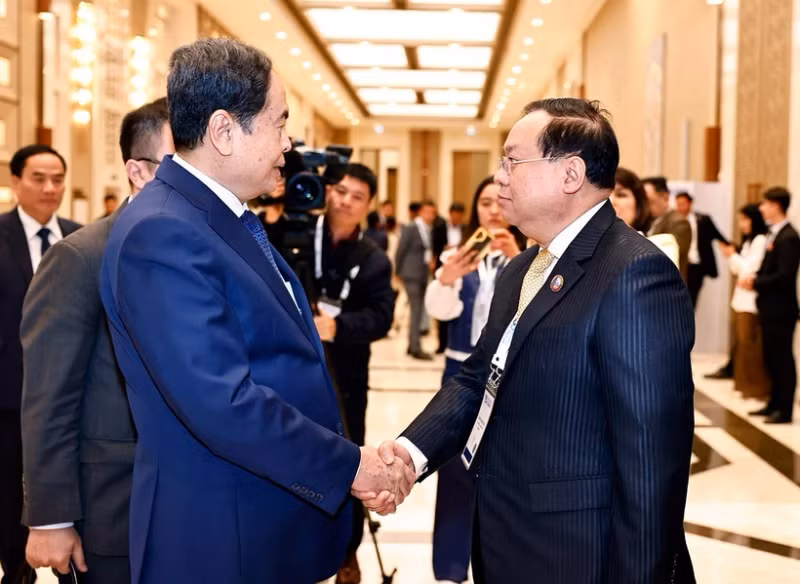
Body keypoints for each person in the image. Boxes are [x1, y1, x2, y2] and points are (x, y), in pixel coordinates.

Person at [98, 39, 413, 584]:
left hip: (259, 522)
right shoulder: (164, 232)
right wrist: (350, 465)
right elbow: (223, 402)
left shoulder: (218, 217)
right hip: (221, 538)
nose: (288, 143)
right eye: (279, 122)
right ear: (224, 131)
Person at [361, 98, 697, 583]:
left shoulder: (633, 272)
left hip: (578, 556)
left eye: (512, 161)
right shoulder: (523, 268)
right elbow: (477, 379)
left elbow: (651, 464)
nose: (499, 177)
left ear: (571, 174)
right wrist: (408, 456)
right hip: (507, 536)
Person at [20, 98, 173, 583]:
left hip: (189, 507)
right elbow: (49, 396)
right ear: (138, 172)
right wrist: (50, 518)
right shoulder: (81, 256)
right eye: (179, 166)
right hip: (111, 508)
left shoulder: (204, 254)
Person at [423, 177, 522, 583]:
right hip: (460, 371)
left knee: (505, 470)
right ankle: (450, 569)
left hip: (511, 374)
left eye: (500, 201)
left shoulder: (533, 258)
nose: (494, 209)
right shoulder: (456, 255)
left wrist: (520, 261)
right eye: (485, 202)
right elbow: (440, 311)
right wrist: (447, 278)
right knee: (454, 470)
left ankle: (501, 566)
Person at [0, 144, 81, 584]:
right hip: (8, 398)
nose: (50, 188)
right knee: (9, 498)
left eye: (58, 179)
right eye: (39, 178)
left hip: (66, 396)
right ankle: (16, 574)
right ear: (15, 182)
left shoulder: (79, 237)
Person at [312, 163, 394, 584]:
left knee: (349, 460)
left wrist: (338, 327)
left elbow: (381, 317)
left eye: (356, 196)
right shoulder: (297, 239)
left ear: (369, 205)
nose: (345, 201)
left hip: (346, 376)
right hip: (295, 371)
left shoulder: (374, 258)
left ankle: (347, 551)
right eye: (340, 191)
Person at [745, 187, 800, 424]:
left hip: (781, 309)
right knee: (771, 357)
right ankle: (774, 402)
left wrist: (756, 282)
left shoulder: (789, 237)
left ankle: (784, 409)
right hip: (769, 307)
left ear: (776, 205)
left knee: (782, 359)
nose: (761, 208)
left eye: (765, 203)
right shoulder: (775, 233)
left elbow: (785, 275)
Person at [717, 204, 769, 399]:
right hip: (741, 299)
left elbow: (748, 270)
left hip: (751, 301)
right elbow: (738, 270)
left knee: (749, 345)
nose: (741, 224)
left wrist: (733, 255)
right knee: (741, 344)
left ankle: (755, 387)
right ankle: (744, 385)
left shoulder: (760, 240)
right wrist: (733, 257)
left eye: (745, 219)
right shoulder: (749, 242)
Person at [611, 167, 680, 267]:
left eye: (621, 195)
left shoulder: (661, 245)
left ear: (638, 205)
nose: (611, 202)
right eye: (601, 196)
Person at [396, 200, 437, 360]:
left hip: (422, 273)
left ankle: (412, 345)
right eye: (427, 212)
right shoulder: (411, 227)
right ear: (421, 212)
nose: (430, 216)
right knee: (416, 310)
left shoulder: (428, 229)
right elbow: (401, 249)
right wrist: (397, 271)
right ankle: (415, 347)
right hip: (411, 273)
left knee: (418, 310)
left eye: (432, 213)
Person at [674, 192, 728, 308]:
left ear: (690, 203)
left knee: (692, 298)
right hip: (679, 264)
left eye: (683, 204)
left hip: (696, 265)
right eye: (678, 204)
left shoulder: (702, 219)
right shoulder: (673, 222)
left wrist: (729, 246)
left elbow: (717, 234)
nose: (680, 207)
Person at [643, 176, 692, 281]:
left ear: (665, 197)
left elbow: (668, 256)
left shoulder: (678, 222)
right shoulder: (649, 220)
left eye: (650, 201)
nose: (645, 205)